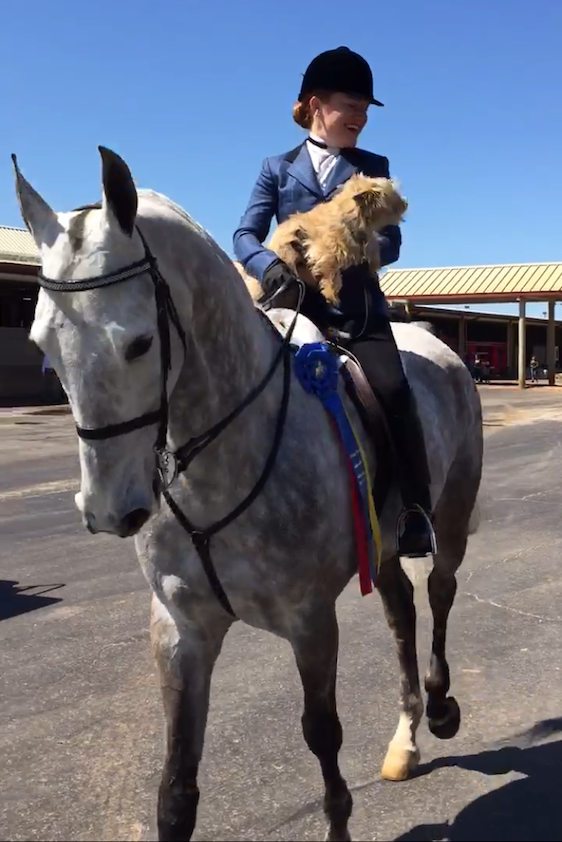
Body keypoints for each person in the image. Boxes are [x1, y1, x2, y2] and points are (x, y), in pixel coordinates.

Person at [232, 46, 436, 558]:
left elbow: (393, 242)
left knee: (393, 390)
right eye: (352, 106)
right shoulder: (276, 168)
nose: (361, 119)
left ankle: (415, 511)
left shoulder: (374, 168)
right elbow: (243, 235)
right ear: (317, 104)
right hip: (288, 306)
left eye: (366, 110)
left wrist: (357, 249)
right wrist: (268, 267)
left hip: (356, 312)